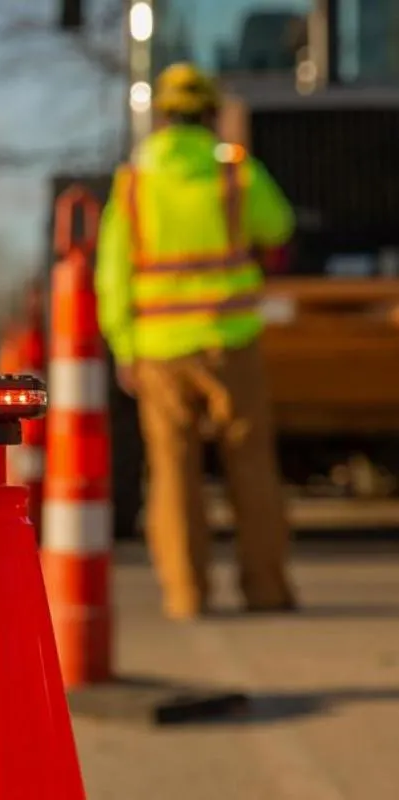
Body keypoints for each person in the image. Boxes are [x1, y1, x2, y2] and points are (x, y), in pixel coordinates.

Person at [94, 62, 298, 619]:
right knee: (250, 464)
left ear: (160, 115)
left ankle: (186, 595)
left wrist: (124, 345)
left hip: (160, 350)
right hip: (231, 341)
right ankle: (267, 591)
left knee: (172, 471)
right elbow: (277, 229)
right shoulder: (236, 172)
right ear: (211, 114)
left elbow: (112, 277)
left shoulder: (132, 184)